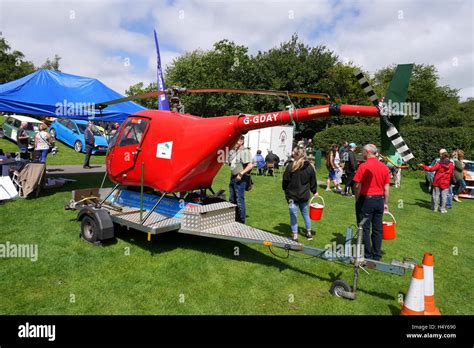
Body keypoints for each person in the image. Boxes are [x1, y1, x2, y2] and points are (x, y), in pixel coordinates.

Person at [353, 144, 390, 261]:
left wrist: (357, 198)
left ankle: (367, 255)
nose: (363, 154)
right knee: (378, 229)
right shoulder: (384, 167)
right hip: (379, 200)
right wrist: (385, 203)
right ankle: (377, 255)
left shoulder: (363, 166)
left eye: (363, 152)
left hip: (366, 199)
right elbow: (387, 188)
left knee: (364, 228)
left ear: (367, 152)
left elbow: (357, 185)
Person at [282, 147, 318, 241]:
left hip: (292, 196)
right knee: (305, 214)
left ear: (297, 154)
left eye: (293, 152)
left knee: (294, 215)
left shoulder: (291, 166)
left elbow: (285, 180)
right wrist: (314, 191)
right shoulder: (309, 167)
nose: (292, 153)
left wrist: (284, 189)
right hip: (302, 195)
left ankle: (295, 236)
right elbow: (313, 181)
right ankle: (308, 233)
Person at [227, 136, 253, 223]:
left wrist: (241, 174)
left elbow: (250, 165)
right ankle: (233, 219)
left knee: (239, 200)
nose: (235, 143)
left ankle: (241, 221)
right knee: (232, 199)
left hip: (240, 179)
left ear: (241, 141)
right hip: (233, 177)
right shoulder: (236, 151)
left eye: (236, 141)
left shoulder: (245, 151)